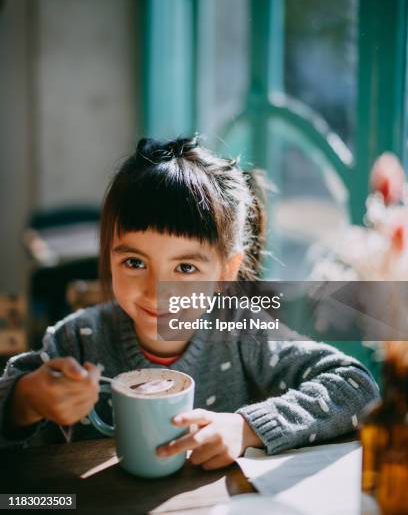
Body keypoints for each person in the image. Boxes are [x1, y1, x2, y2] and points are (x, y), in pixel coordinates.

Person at [0, 135, 379, 469]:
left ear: (226, 272)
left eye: (184, 267)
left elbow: (357, 386)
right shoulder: (76, 340)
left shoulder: (241, 331)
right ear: (108, 256)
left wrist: (246, 428)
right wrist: (27, 401)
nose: (154, 290)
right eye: (134, 262)